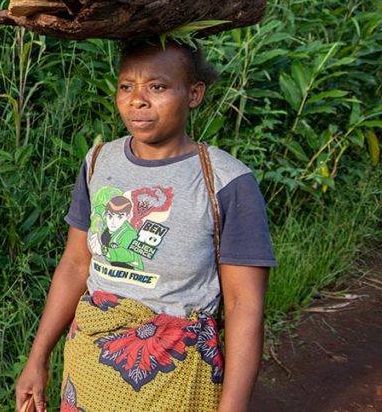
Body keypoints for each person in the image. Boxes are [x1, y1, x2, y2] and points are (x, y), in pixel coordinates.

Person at [15, 38, 276, 412]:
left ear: (194, 93)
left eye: (157, 87)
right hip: (89, 368)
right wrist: (37, 357)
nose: (138, 100)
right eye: (126, 86)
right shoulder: (98, 162)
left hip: (175, 373)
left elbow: (243, 305)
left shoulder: (226, 181)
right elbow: (75, 264)